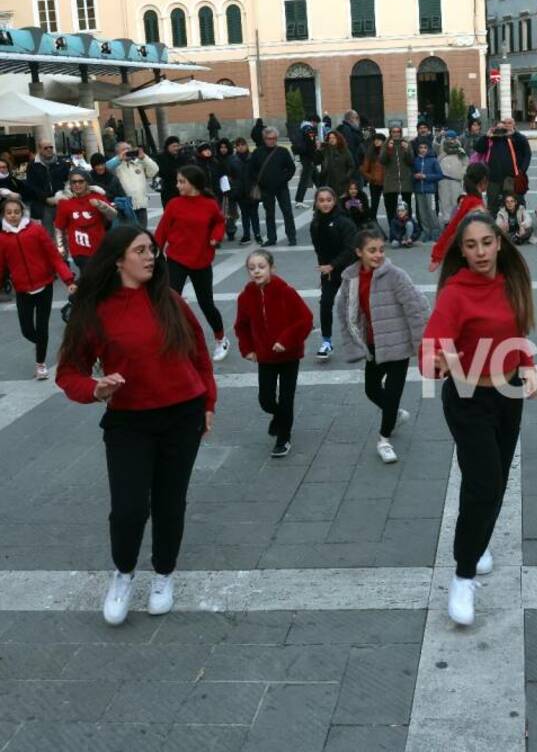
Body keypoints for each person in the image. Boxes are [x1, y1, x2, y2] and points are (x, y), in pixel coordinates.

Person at [56, 225, 217, 626]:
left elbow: (199, 356)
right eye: (141, 250)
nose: (151, 257)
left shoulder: (172, 301)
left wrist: (208, 403)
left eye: (153, 250)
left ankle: (163, 574)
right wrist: (95, 389)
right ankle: (124, 573)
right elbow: (69, 373)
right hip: (129, 422)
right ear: (118, 259)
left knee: (170, 502)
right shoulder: (95, 311)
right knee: (128, 508)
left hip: (183, 416)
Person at [419, 213, 537, 626]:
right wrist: (435, 361)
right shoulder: (455, 293)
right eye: (471, 246)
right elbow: (431, 346)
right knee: (483, 483)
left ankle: (479, 540)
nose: (481, 252)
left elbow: (517, 330)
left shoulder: (511, 284)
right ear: (461, 251)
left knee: (497, 480)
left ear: (499, 243)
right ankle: (463, 574)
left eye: (487, 242)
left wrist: (528, 364)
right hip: (468, 399)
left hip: (508, 396)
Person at [338, 227, 429, 463]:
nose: (378, 255)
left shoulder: (395, 275)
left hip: (397, 344)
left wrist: (422, 345)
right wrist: (354, 345)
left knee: (393, 392)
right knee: (371, 388)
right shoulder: (351, 278)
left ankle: (384, 439)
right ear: (359, 252)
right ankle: (395, 414)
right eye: (372, 251)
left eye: (381, 249)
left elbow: (417, 309)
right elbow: (346, 312)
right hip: (372, 344)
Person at [235, 249, 313, 458]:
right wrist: (248, 349)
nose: (256, 272)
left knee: (287, 398)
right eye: (252, 268)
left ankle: (283, 438)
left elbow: (305, 319)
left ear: (272, 268)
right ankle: (279, 417)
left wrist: (285, 341)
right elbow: (241, 326)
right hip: (265, 357)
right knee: (266, 399)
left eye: (261, 267)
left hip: (289, 355)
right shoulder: (245, 297)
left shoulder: (285, 291)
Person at [155, 165, 230, 361]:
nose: (178, 185)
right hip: (176, 259)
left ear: (194, 184)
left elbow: (219, 222)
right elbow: (162, 229)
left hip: (201, 259)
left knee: (206, 304)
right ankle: (172, 341)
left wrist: (216, 237)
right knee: (170, 301)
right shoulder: (174, 204)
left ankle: (221, 339)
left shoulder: (209, 204)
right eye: (178, 181)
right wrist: (154, 251)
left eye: (182, 182)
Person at [0, 196, 76, 379]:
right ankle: (42, 342)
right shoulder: (2, 238)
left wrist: (69, 281)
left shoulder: (36, 231)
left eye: (16, 212)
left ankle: (40, 364)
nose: (13, 216)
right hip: (22, 290)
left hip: (44, 286)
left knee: (42, 327)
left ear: (22, 212)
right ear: (3, 214)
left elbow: (54, 257)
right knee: (27, 330)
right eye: (9, 213)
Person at [309, 186, 359, 360]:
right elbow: (319, 250)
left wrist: (332, 265)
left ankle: (362, 338)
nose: (325, 204)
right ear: (316, 202)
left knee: (353, 306)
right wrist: (324, 270)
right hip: (329, 271)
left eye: (328, 200)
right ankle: (326, 341)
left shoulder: (344, 221)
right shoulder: (315, 223)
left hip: (350, 268)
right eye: (321, 200)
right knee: (325, 302)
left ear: (334, 201)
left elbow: (351, 249)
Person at [54, 168, 116, 275]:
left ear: (87, 182)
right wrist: (61, 248)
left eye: (81, 181)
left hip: (99, 247)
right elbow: (59, 227)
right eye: (74, 182)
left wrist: (100, 205)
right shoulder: (65, 203)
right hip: (79, 250)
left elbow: (113, 215)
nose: (77, 184)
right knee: (89, 277)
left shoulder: (97, 196)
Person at [430, 163, 489, 271]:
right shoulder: (474, 203)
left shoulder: (469, 199)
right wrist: (437, 254)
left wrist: (437, 254)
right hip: (470, 252)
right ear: (484, 180)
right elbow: (453, 228)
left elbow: (451, 227)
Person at [249, 127, 297, 247]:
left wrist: (283, 179)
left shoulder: (282, 151)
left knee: (287, 212)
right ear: (264, 139)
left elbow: (291, 168)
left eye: (274, 138)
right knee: (269, 214)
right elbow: (251, 170)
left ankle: (292, 237)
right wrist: (260, 182)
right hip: (265, 189)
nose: (272, 141)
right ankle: (271, 238)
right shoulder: (257, 152)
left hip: (281, 187)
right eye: (269, 138)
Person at [474, 118, 531, 214]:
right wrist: (486, 136)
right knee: (492, 203)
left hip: (511, 177)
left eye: (507, 125)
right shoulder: (490, 139)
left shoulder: (514, 138)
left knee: (513, 201)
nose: (501, 130)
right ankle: (494, 224)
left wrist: (522, 170)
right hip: (493, 178)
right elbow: (478, 148)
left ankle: (516, 222)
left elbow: (527, 152)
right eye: (498, 127)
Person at [24, 140, 70, 235]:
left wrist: (64, 195)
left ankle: (65, 249)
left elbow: (67, 181)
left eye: (51, 147)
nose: (49, 150)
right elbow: (31, 186)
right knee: (48, 233)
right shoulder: (32, 165)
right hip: (44, 204)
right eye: (46, 148)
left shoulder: (61, 163)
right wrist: (46, 199)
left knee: (65, 230)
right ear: (40, 150)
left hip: (61, 202)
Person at [107, 142, 158, 227]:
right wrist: (119, 159)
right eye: (124, 149)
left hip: (141, 206)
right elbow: (106, 167)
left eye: (129, 149)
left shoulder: (139, 163)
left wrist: (144, 158)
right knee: (129, 236)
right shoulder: (115, 166)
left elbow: (154, 170)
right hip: (125, 207)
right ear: (118, 153)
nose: (127, 151)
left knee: (142, 234)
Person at [227, 138, 261, 245]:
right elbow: (230, 176)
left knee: (254, 213)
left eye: (243, 144)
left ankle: (257, 234)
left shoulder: (253, 157)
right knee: (245, 214)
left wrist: (256, 184)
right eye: (238, 145)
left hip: (252, 189)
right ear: (236, 147)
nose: (241, 147)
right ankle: (246, 235)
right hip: (240, 191)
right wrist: (234, 188)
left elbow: (258, 172)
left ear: (246, 145)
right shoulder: (232, 159)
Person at [381, 124, 414, 224]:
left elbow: (411, 161)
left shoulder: (406, 143)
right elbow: (382, 160)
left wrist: (407, 150)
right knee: (391, 209)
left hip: (405, 183)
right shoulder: (386, 144)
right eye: (393, 132)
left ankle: (408, 230)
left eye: (398, 131)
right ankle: (394, 231)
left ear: (401, 133)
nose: (396, 134)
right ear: (390, 133)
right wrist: (389, 150)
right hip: (390, 183)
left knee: (406, 208)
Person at [412, 141, 444, 243]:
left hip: (430, 190)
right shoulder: (415, 160)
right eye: (421, 147)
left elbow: (439, 175)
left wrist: (426, 176)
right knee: (422, 213)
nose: (422, 150)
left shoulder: (433, 160)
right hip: (418, 190)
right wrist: (415, 176)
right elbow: (411, 174)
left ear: (428, 149)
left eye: (425, 148)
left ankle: (436, 232)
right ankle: (426, 232)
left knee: (432, 212)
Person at [438, 133, 468, 225]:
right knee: (445, 202)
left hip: (456, 180)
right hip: (443, 180)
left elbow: (466, 163)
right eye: (448, 138)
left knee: (456, 201)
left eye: (452, 138)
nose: (450, 140)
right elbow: (437, 160)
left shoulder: (460, 150)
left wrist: (461, 173)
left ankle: (456, 221)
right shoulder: (441, 149)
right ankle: (447, 222)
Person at [317, 130, 355, 198]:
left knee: (341, 203)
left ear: (338, 139)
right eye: (330, 138)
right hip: (327, 182)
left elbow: (352, 166)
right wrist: (318, 149)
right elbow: (317, 161)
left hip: (341, 182)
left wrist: (346, 177)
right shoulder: (325, 150)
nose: (331, 140)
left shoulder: (344, 150)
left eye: (334, 138)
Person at [156, 136, 192, 208]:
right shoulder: (161, 158)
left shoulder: (183, 157)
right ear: (167, 147)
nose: (176, 148)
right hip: (168, 191)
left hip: (183, 190)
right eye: (173, 146)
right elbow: (164, 172)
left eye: (177, 146)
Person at [361, 133, 387, 226]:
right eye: (375, 139)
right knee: (374, 204)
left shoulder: (388, 152)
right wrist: (371, 178)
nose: (377, 141)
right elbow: (364, 170)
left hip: (387, 183)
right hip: (375, 183)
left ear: (384, 141)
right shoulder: (370, 153)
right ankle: (373, 223)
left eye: (379, 140)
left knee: (390, 205)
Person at [294, 124, 321, 206]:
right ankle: (299, 200)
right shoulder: (309, 131)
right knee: (305, 181)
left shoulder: (302, 130)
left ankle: (324, 194)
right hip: (309, 160)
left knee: (317, 179)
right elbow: (310, 147)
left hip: (306, 160)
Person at [339, 110, 365, 184]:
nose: (358, 120)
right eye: (356, 118)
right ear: (351, 119)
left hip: (355, 163)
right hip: (352, 164)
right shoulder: (347, 130)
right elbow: (350, 148)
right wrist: (354, 163)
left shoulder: (352, 129)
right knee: (356, 186)